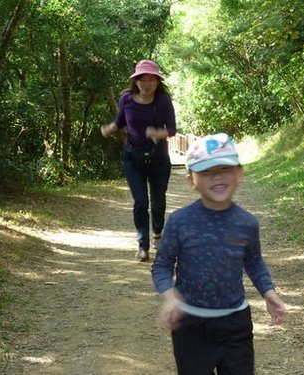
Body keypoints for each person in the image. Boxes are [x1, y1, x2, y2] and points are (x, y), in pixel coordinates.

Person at [151, 133, 287, 375]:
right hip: (190, 324)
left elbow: (254, 261)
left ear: (239, 174)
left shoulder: (246, 223)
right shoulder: (180, 221)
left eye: (225, 168)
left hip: (235, 323)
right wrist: (171, 298)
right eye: (205, 171)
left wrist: (269, 293)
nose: (216, 176)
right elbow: (162, 264)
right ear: (191, 180)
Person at [101, 59, 176, 261]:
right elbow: (120, 121)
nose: (147, 83)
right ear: (136, 80)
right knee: (140, 203)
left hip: (158, 158)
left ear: (158, 82)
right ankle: (142, 246)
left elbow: (171, 129)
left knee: (158, 202)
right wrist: (111, 128)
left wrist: (158, 133)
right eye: (143, 79)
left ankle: (158, 234)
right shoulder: (126, 99)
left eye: (152, 79)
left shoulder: (163, 101)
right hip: (132, 157)